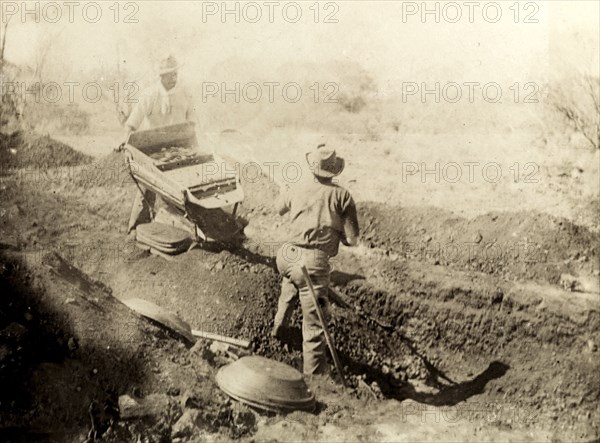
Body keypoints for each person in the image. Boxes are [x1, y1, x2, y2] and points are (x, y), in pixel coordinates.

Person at [272, 144, 360, 376]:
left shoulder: (298, 187)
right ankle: (314, 383)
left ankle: (278, 332)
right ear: (334, 170)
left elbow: (277, 207)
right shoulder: (342, 196)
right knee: (315, 327)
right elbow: (353, 240)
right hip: (313, 264)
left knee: (290, 286)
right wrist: (338, 231)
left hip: (286, 256)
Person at [122, 55, 197, 237]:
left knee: (182, 188)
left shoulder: (185, 94)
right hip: (152, 149)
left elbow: (192, 123)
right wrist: (127, 145)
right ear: (161, 77)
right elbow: (131, 124)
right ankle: (136, 228)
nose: (174, 77)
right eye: (169, 74)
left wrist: (193, 147)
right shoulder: (150, 95)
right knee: (147, 186)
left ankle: (184, 227)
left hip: (179, 148)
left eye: (175, 73)